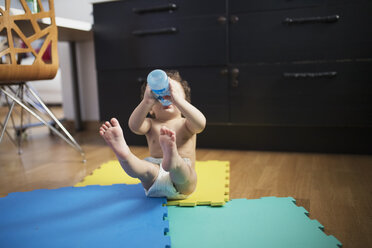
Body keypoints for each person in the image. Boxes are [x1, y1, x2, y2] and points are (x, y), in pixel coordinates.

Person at [99, 70, 206, 199]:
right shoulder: (150, 124)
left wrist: (177, 100)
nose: (166, 97)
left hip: (183, 181)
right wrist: (146, 101)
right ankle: (125, 155)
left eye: (172, 93)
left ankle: (174, 160)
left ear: (185, 103)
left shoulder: (187, 124)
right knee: (144, 169)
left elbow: (201, 123)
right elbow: (134, 127)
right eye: (159, 96)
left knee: (183, 171)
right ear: (151, 109)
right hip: (156, 172)